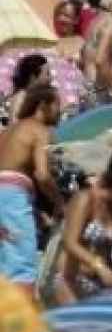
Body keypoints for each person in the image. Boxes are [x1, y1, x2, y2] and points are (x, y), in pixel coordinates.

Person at [0, 86, 59, 285]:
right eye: (57, 105)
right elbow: (42, 175)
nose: (59, 111)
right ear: (43, 105)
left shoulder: (9, 131)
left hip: (6, 194)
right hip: (12, 195)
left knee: (5, 266)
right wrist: (60, 202)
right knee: (21, 268)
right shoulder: (39, 130)